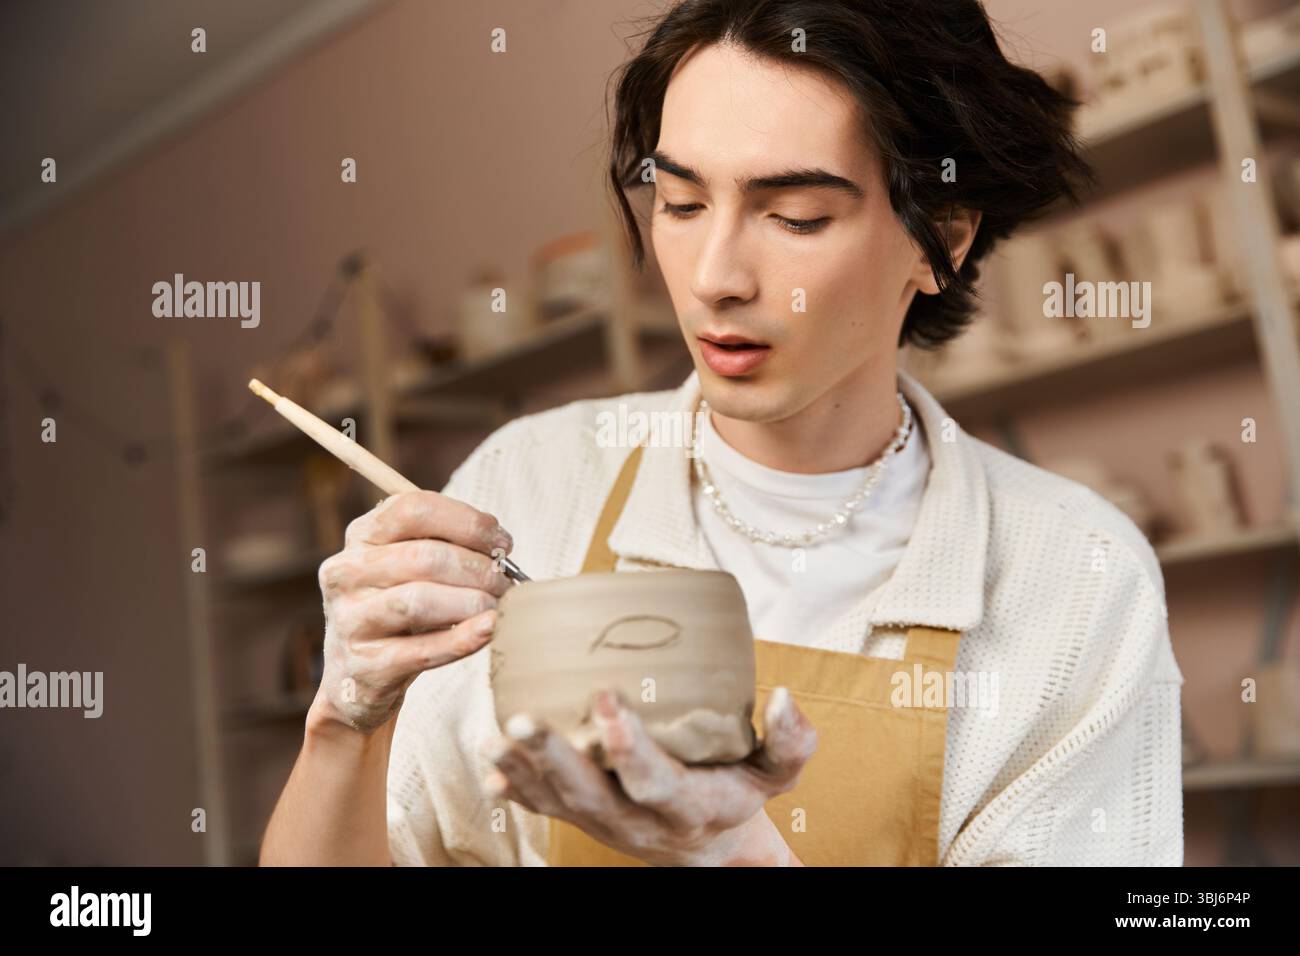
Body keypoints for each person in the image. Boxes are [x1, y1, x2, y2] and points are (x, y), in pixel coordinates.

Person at [261, 0, 1184, 867]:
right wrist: (346, 722)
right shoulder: (526, 483)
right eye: (682, 203)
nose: (713, 276)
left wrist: (735, 852)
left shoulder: (1075, 579)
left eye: (795, 216)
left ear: (939, 238)